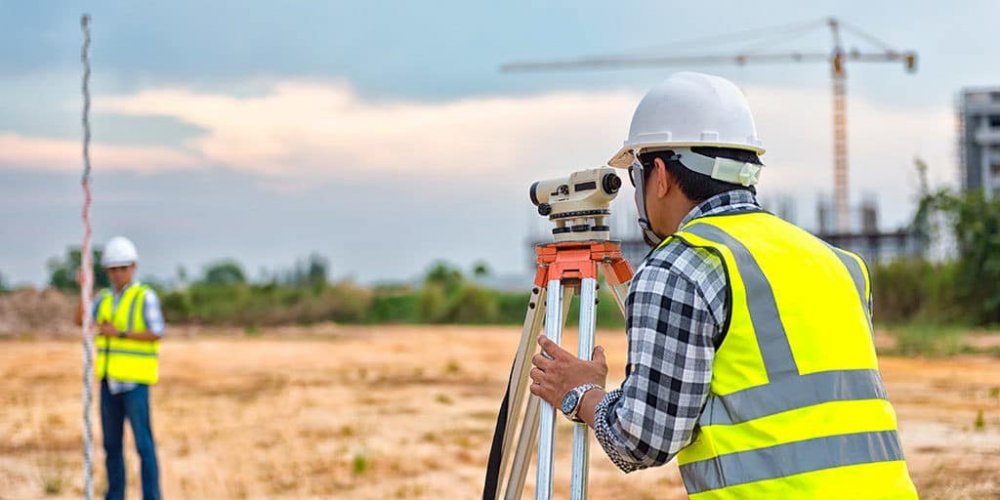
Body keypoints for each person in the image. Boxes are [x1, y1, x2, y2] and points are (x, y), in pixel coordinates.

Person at [528, 72, 917, 498]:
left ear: (659, 174)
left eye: (638, 174)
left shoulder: (680, 267)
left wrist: (579, 393)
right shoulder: (838, 263)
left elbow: (640, 442)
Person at [81, 236, 164, 500]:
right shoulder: (102, 298)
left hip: (135, 383)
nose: (118, 274)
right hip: (108, 381)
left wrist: (121, 334)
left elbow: (157, 331)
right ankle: (114, 495)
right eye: (113, 269)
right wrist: (82, 290)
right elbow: (80, 320)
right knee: (111, 446)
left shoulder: (144, 296)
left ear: (133, 267)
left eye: (122, 268)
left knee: (143, 446)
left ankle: (151, 496)